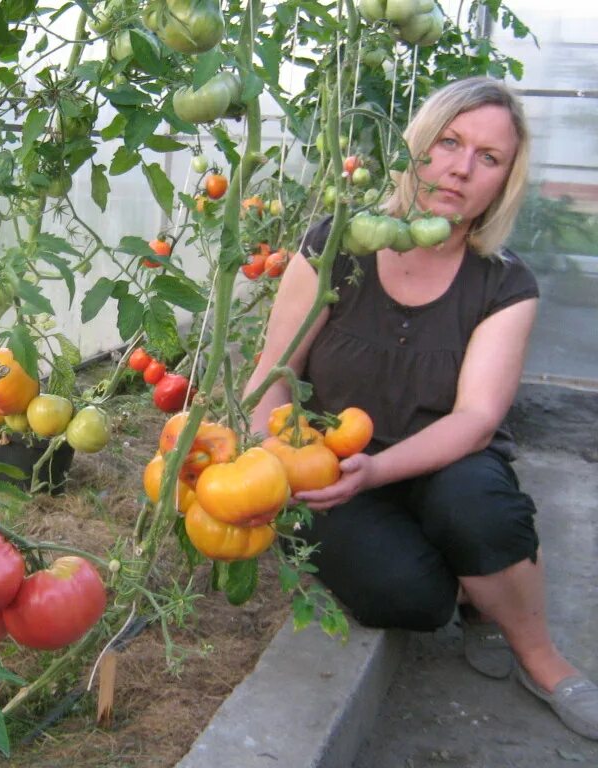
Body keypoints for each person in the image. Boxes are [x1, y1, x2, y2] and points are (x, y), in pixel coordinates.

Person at [243, 76, 598, 740]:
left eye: (488, 158)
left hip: (446, 462)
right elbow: (274, 370)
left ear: (503, 181)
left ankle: (537, 652)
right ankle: (477, 586)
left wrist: (380, 472)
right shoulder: (335, 245)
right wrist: (275, 456)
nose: (461, 168)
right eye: (449, 143)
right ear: (417, 150)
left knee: (478, 508)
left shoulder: (504, 281)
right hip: (332, 468)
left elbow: (475, 419)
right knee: (403, 597)